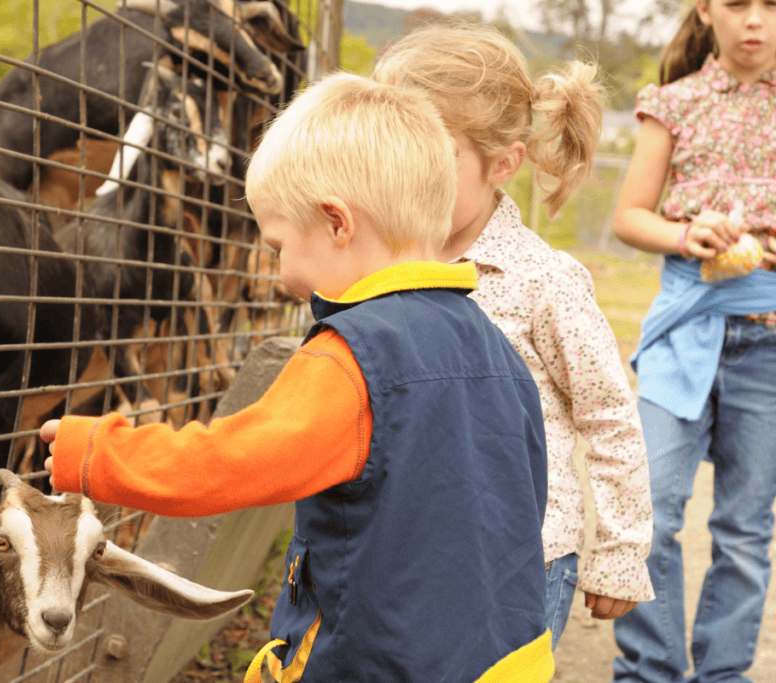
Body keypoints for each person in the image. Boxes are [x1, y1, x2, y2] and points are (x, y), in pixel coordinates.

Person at [40, 72, 555, 682]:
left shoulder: (352, 357)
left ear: (337, 223)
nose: (280, 273)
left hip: (379, 665)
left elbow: (231, 463)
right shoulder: (497, 349)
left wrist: (96, 452)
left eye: (278, 244)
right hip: (505, 659)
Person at [372, 23, 655, 652]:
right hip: (409, 555)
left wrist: (620, 551)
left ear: (503, 164)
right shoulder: (375, 267)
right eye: (390, 148)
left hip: (521, 561)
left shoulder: (542, 281)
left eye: (433, 155)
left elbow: (609, 417)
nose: (403, 174)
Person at [606, 0, 776, 680]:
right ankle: (649, 667)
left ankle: (723, 673)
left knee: (744, 531)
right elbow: (629, 216)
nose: (755, 20)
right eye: (737, 4)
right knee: (648, 511)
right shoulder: (671, 104)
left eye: (771, 5)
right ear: (705, 10)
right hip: (685, 333)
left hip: (768, 344)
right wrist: (685, 234)